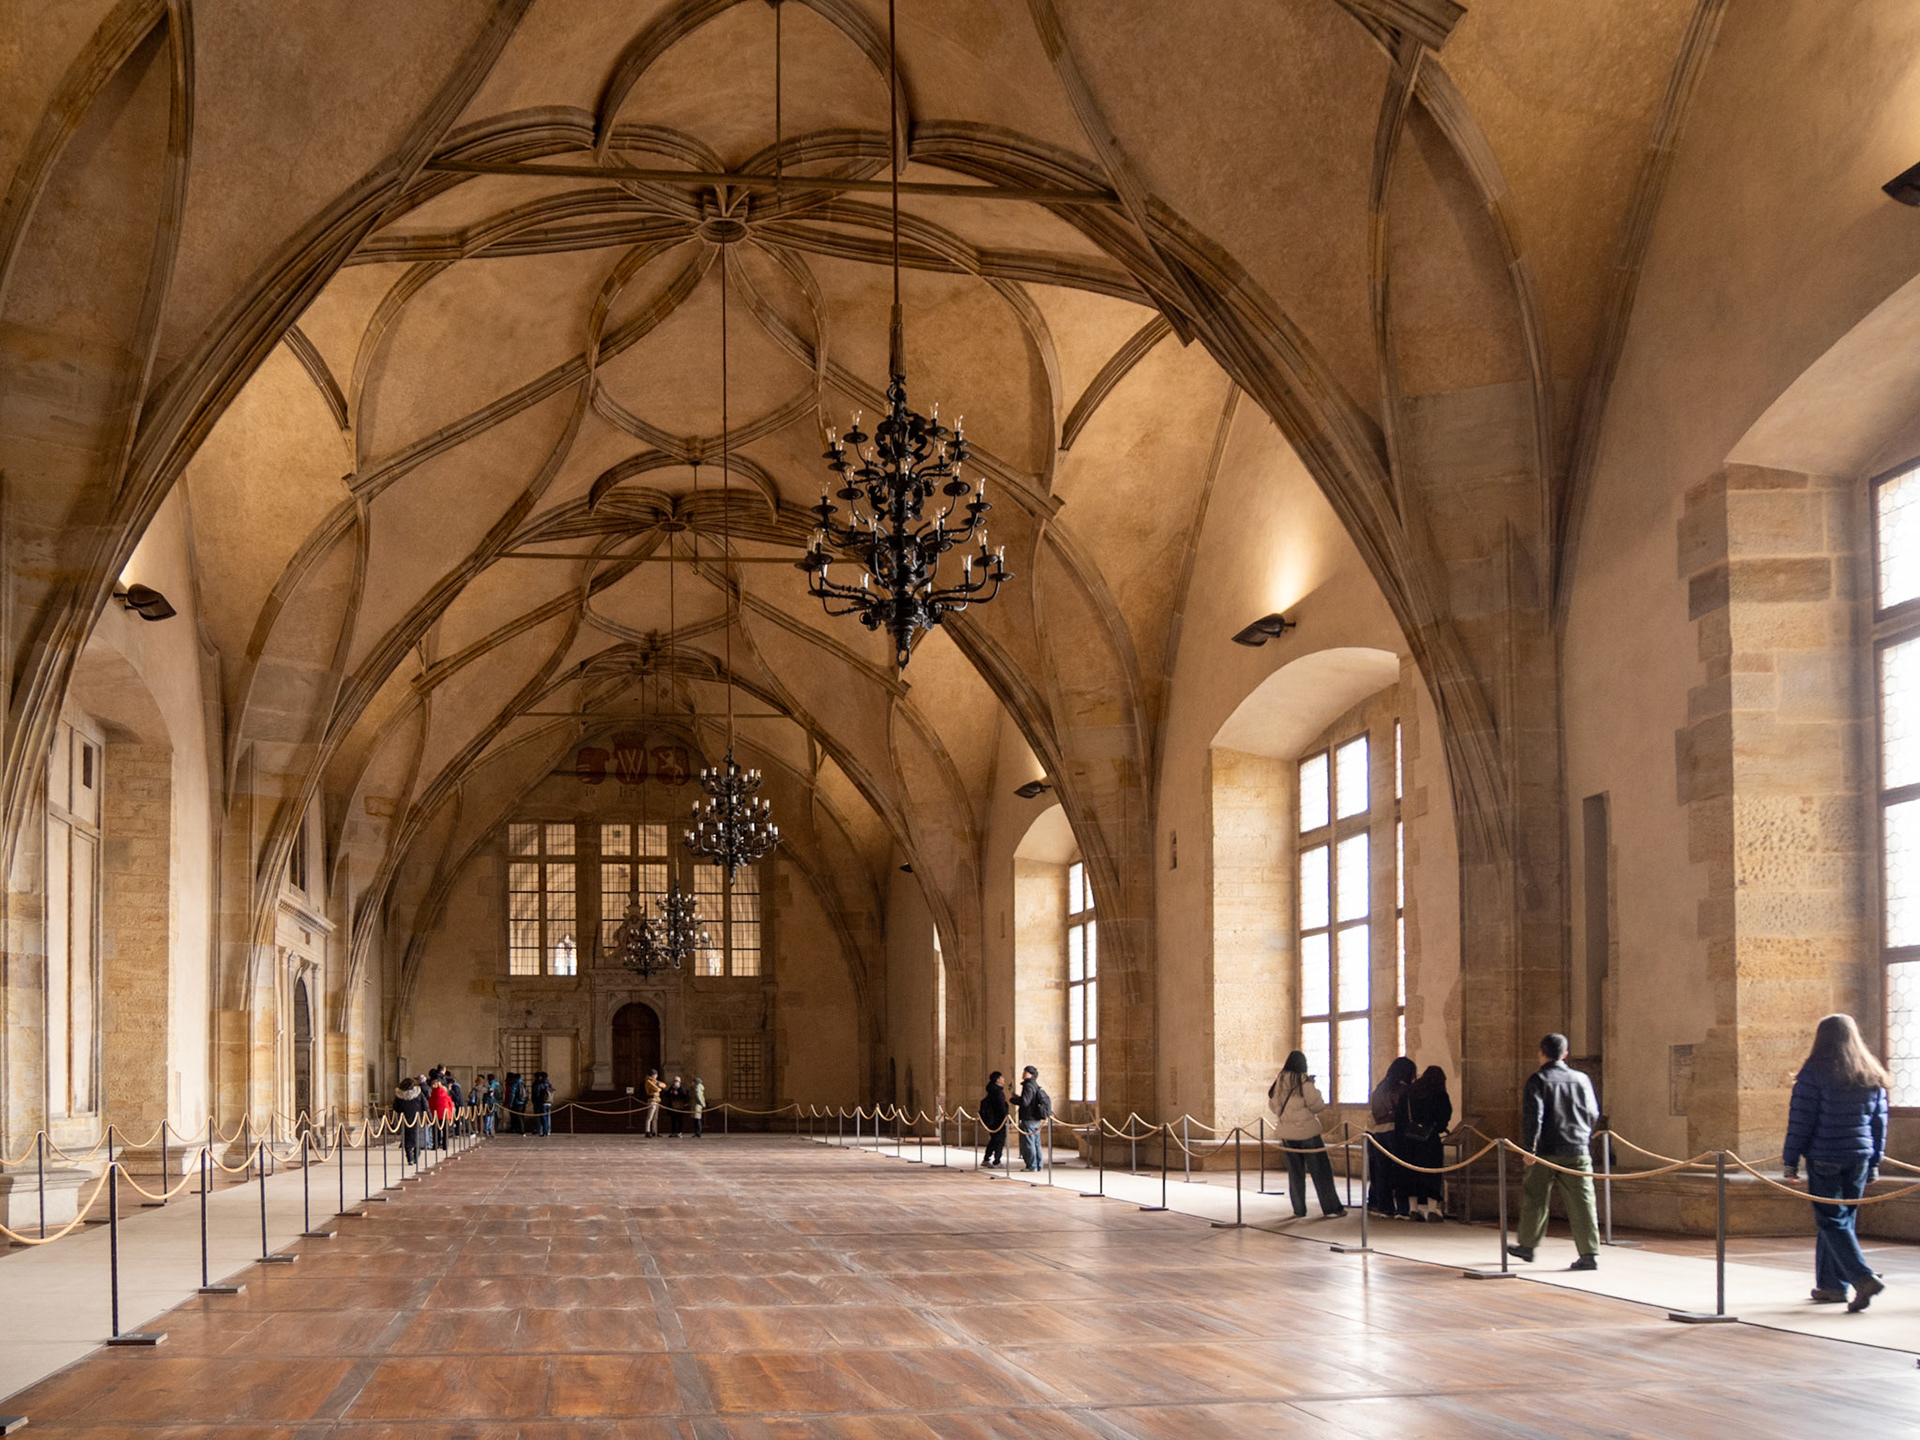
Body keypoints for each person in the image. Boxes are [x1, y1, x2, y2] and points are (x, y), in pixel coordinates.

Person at [1783, 1013, 1891, 1310]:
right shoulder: (1869, 1072)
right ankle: (1831, 1286)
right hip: (1859, 1156)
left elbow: (1801, 1120)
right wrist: (1875, 1161)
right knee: (1844, 1222)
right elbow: (1879, 1122)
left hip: (1825, 1155)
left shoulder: (1815, 1071)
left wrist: (1790, 1159)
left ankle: (1861, 1277)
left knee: (1830, 1220)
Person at [1507, 1033, 1600, 1270]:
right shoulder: (1582, 1079)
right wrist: (1584, 1135)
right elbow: (1593, 1112)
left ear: (1541, 1053)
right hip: (1578, 1148)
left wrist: (1530, 1149)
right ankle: (1589, 1253)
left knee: (1535, 1197)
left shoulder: (1538, 1080)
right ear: (1565, 1054)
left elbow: (1533, 1117)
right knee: (1583, 1201)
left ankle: (1527, 1245)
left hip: (1546, 1150)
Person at [1267, 1051, 1344, 1218]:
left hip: (1288, 1135)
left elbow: (1273, 1106)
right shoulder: (1304, 1083)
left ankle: (1299, 1209)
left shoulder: (1279, 1083)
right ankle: (1331, 1207)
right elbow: (1318, 1106)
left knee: (1295, 1174)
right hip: (1308, 1134)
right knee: (1321, 1171)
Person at [1394, 1065, 1453, 1222]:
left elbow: (1399, 1116)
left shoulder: (1409, 1092)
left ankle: (1413, 1209)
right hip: (1429, 1140)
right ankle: (1432, 1210)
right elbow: (1443, 1118)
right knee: (1432, 1173)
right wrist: (1436, 1128)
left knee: (1411, 1173)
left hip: (1409, 1139)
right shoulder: (1439, 1094)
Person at [1366, 1056, 1416, 1216]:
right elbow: (1404, 1113)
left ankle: (1384, 1207)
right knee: (1400, 1170)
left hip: (1378, 1132)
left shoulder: (1380, 1088)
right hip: (1395, 1132)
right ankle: (1403, 1208)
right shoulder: (1401, 1089)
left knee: (1382, 1172)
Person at [1015, 1065, 1051, 1172]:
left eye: (1025, 1072)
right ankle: (1038, 1165)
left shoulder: (1028, 1085)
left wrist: (1014, 1100)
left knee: (1029, 1142)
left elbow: (1025, 1102)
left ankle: (1032, 1165)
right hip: (1036, 1118)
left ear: (1031, 1074)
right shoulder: (1035, 1085)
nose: (1023, 1073)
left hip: (1029, 1118)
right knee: (1036, 1143)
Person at [393, 1074, 426, 1163]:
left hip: (405, 1118)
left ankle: (409, 1157)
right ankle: (416, 1156)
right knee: (417, 1137)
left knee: (407, 1138)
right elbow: (425, 1106)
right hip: (417, 1118)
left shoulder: (399, 1095)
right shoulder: (418, 1093)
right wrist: (429, 1118)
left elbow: (395, 1107)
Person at [980, 1071, 1009, 1168]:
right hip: (999, 1120)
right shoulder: (998, 1092)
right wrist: (1007, 1117)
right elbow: (1001, 1107)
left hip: (992, 1119)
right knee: (999, 1140)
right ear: (998, 1080)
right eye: (1002, 1078)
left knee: (993, 1139)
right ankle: (997, 1160)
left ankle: (986, 1158)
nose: (1003, 1079)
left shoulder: (991, 1090)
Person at [428, 1075, 454, 1149]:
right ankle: (445, 1145)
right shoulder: (445, 1094)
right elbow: (450, 1104)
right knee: (445, 1130)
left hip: (436, 1114)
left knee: (436, 1131)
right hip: (445, 1114)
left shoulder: (433, 1094)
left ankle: (436, 1145)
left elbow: (430, 1104)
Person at [532, 1070, 554, 1137]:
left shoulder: (539, 1085)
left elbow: (537, 1094)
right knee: (548, 1117)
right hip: (548, 1102)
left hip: (542, 1103)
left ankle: (544, 1132)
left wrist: (537, 1101)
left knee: (543, 1117)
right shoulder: (549, 1084)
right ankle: (547, 1131)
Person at [644, 1068, 664, 1137]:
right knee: (650, 1117)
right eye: (656, 1075)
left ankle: (654, 1131)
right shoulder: (648, 1081)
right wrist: (658, 1087)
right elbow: (656, 1088)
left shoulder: (655, 1081)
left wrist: (658, 1085)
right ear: (653, 1075)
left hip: (657, 1100)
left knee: (655, 1117)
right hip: (652, 1100)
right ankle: (647, 1131)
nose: (657, 1076)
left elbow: (664, 1085)